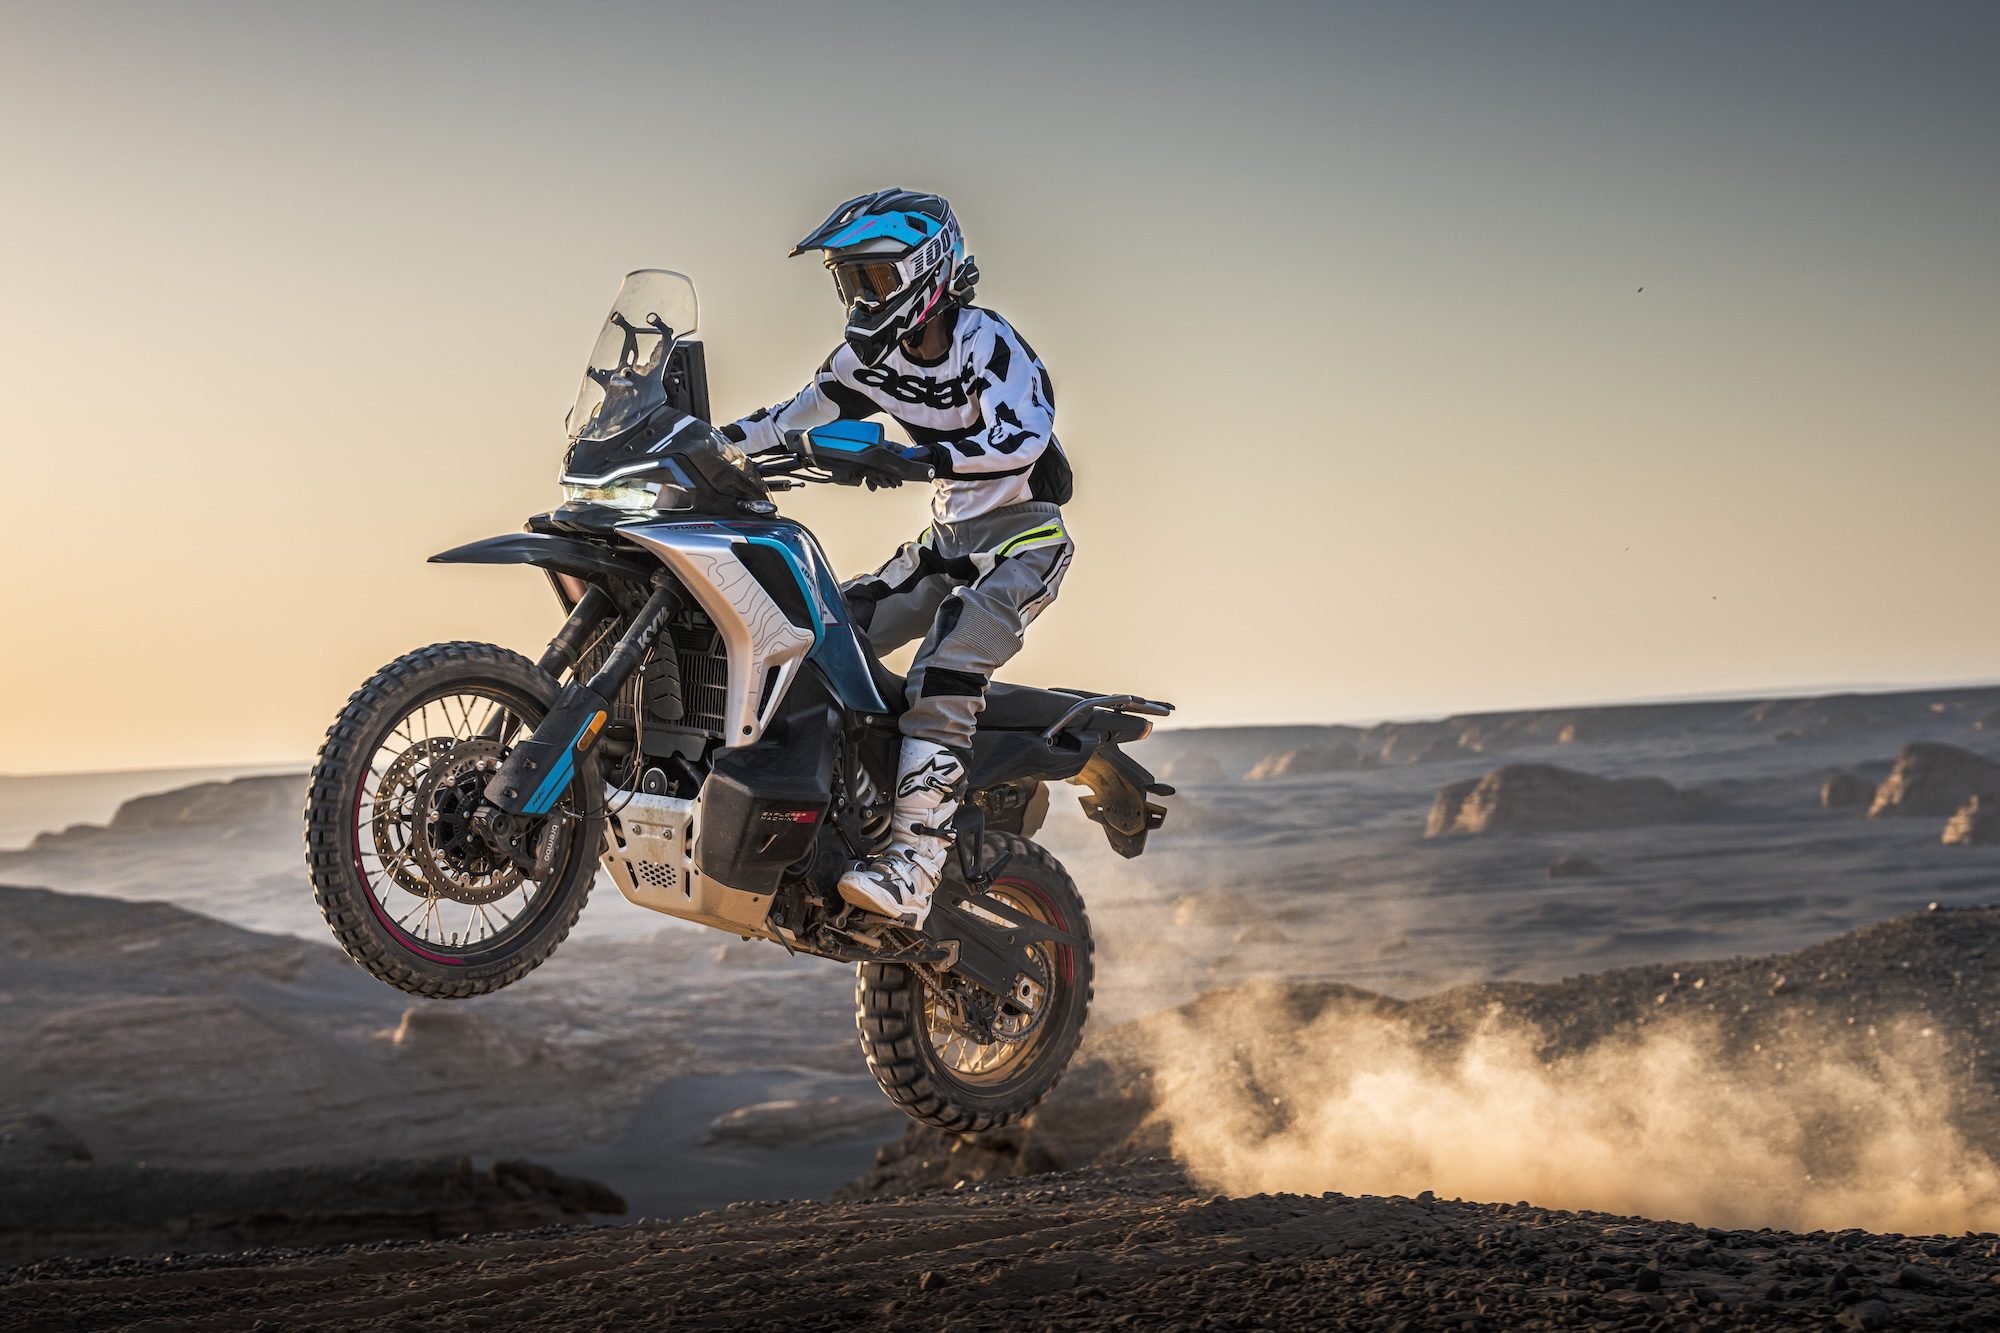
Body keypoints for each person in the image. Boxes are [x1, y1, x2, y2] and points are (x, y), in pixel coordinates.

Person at [721, 189, 1074, 929]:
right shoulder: (865, 359)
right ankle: (832, 811)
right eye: (850, 280)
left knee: (943, 670)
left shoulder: (985, 341)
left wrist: (911, 458)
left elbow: (1022, 439)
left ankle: (914, 862)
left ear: (927, 272)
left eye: (875, 277)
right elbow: (788, 419)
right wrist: (701, 443)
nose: (861, 296)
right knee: (817, 633)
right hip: (944, 547)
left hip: (1020, 545)